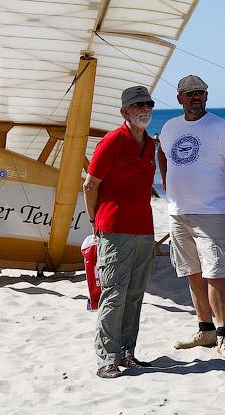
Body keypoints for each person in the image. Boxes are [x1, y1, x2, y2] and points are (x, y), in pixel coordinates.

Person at [158, 75, 225, 360]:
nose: (196, 97)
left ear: (207, 97)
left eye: (201, 93)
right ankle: (205, 330)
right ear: (179, 98)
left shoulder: (221, 127)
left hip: (210, 212)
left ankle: (224, 335)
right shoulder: (170, 127)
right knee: (191, 273)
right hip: (178, 213)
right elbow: (161, 154)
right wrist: (167, 183)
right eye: (190, 93)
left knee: (216, 273)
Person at [83, 85, 158, 379]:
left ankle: (127, 353)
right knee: (114, 293)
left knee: (136, 293)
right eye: (138, 105)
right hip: (114, 229)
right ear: (125, 112)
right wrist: (95, 220)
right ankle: (107, 358)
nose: (144, 109)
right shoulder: (113, 140)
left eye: (148, 104)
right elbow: (90, 184)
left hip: (143, 228)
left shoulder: (150, 144)